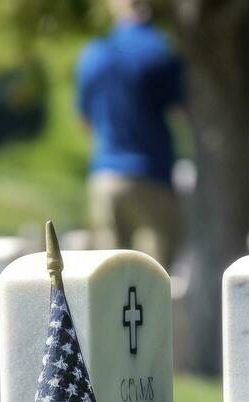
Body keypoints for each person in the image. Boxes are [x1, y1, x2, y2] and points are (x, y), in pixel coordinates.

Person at [76, 0, 184, 268]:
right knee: (153, 280)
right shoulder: (162, 50)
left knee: (107, 280)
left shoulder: (95, 53)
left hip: (106, 175)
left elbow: (85, 120)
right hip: (151, 175)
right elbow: (182, 112)